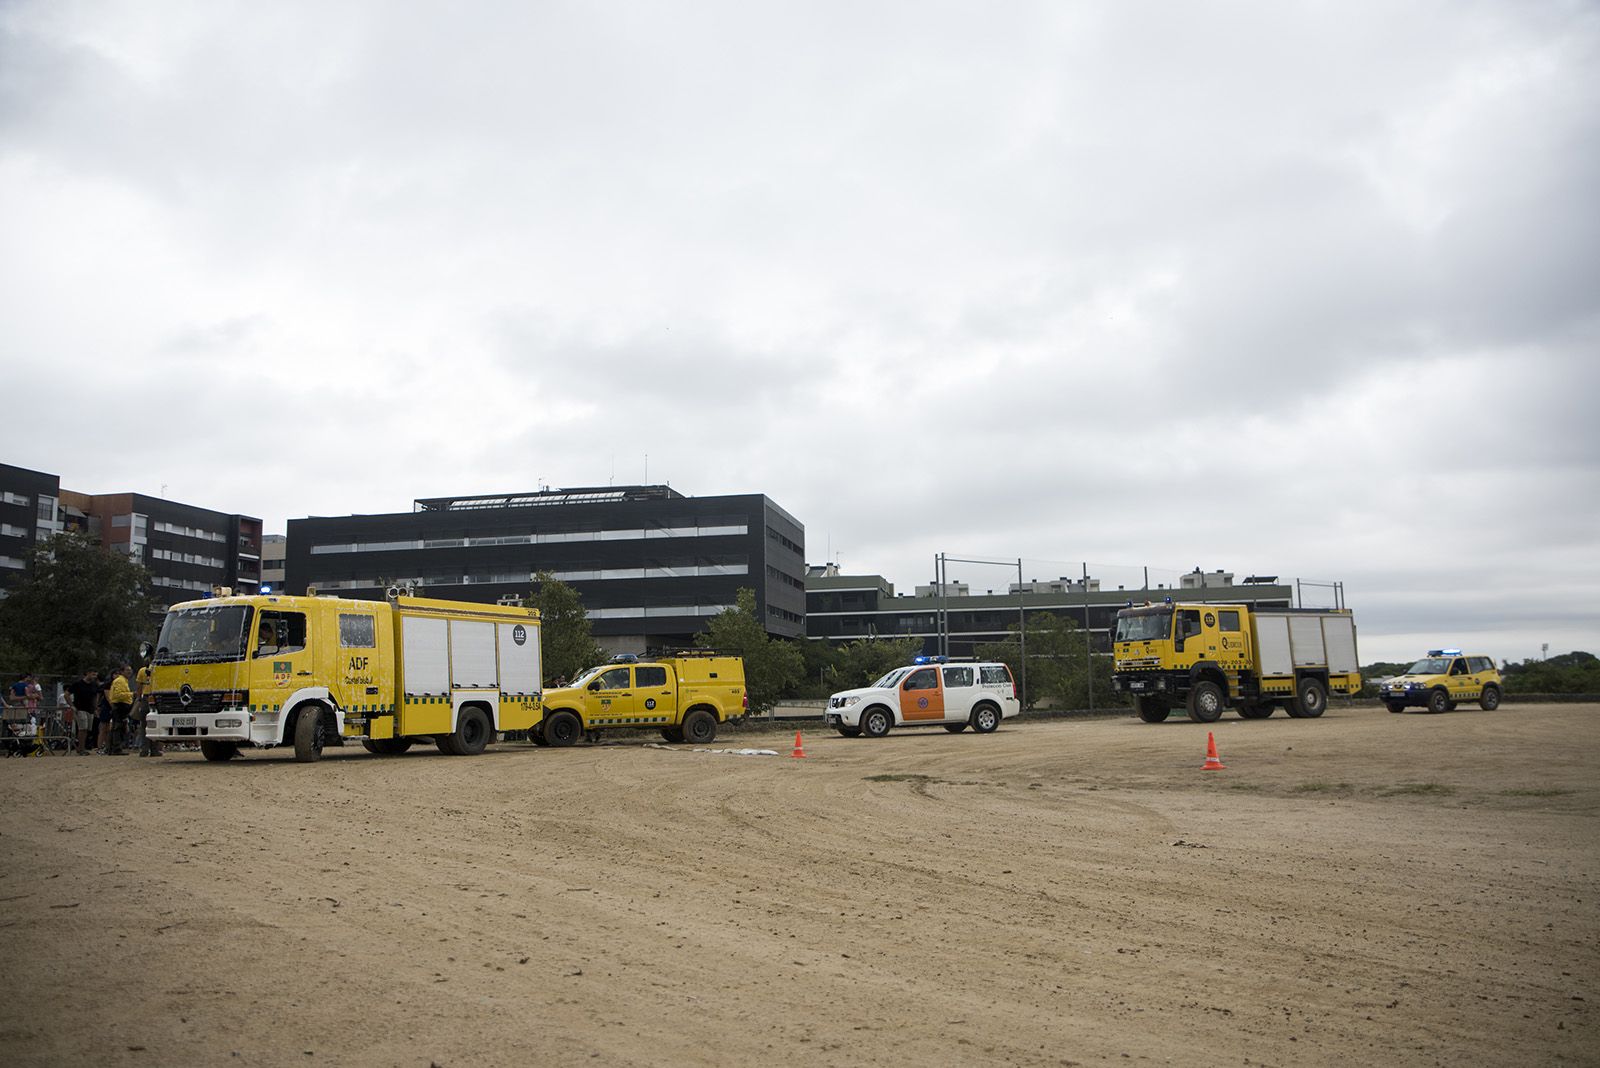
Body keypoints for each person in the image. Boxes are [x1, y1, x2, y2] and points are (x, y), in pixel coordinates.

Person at [66, 670, 100, 755]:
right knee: (82, 728)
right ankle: (80, 748)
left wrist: (96, 708)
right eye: (93, 674)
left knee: (87, 729)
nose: (94, 677)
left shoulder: (94, 685)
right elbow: (66, 694)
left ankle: (82, 747)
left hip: (90, 709)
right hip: (80, 708)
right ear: (87, 673)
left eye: (95, 675)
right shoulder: (78, 684)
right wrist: (72, 706)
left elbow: (95, 697)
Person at [132, 662, 162, 757]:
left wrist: (139, 698)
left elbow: (139, 686)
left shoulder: (142, 670)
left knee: (144, 724)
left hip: (146, 697)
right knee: (155, 723)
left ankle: (144, 749)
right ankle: (154, 750)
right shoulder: (159, 669)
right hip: (157, 696)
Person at [103, 665, 134, 755]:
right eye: (127, 670)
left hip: (122, 706)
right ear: (122, 671)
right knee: (118, 727)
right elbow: (118, 695)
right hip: (120, 706)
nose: (129, 672)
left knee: (119, 727)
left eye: (130, 670)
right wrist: (131, 694)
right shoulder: (120, 681)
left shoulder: (124, 681)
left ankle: (113, 748)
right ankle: (115, 748)